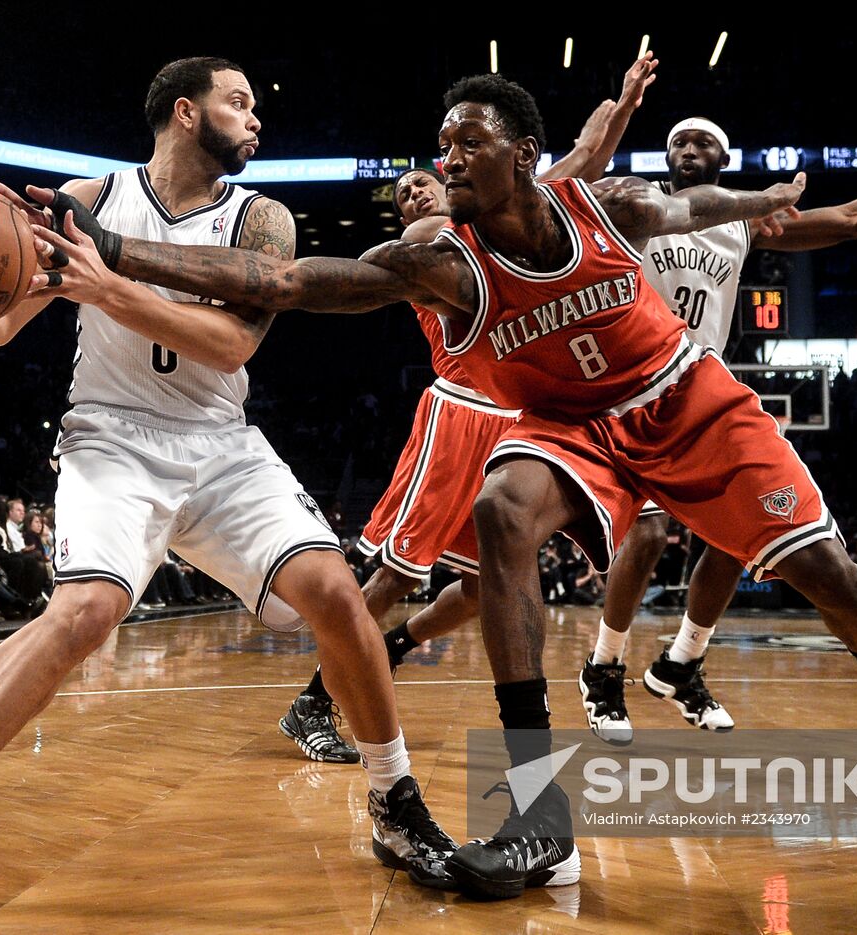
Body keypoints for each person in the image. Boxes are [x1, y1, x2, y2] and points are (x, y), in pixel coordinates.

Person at [28, 71, 857, 901]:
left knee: (833, 578)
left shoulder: (618, 206)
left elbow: (838, 221)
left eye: (465, 141)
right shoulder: (440, 266)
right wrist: (113, 250)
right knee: (500, 512)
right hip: (570, 425)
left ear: (521, 153)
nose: (446, 157)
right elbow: (281, 285)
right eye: (440, 143)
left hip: (684, 397)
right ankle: (537, 807)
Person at [0, 57, 455, 929]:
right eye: (238, 102)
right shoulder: (85, 197)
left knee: (336, 592)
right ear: (185, 110)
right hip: (111, 433)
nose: (256, 120)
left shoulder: (263, 218)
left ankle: (396, 806)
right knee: (87, 609)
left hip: (219, 441)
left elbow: (229, 347)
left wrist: (105, 284)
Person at [584, 118, 857, 741]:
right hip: (628, 393)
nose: (688, 149)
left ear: (724, 157)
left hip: (696, 390)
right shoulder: (635, 204)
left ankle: (683, 660)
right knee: (651, 533)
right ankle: (604, 666)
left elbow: (854, 219)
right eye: (678, 141)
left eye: (703, 142)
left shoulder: (743, 222)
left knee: (744, 537)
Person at [278, 52, 659, 764]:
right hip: (458, 413)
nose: (427, 184)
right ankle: (312, 701)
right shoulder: (431, 240)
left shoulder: (496, 217)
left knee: (488, 581)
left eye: (434, 173)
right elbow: (569, 166)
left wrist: (627, 105)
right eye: (412, 188)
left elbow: (576, 160)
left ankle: (392, 645)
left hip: (509, 417)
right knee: (397, 570)